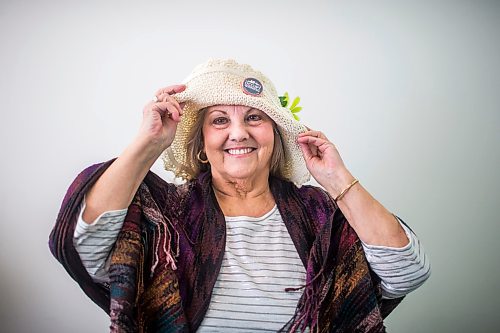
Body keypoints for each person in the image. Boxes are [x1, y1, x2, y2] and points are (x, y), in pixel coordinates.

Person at [49, 59, 430, 332]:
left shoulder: (318, 215)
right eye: (219, 120)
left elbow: (407, 272)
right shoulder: (166, 214)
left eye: (253, 118)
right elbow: (81, 246)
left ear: (274, 137)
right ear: (201, 144)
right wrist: (149, 145)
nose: (238, 133)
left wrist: (337, 180)